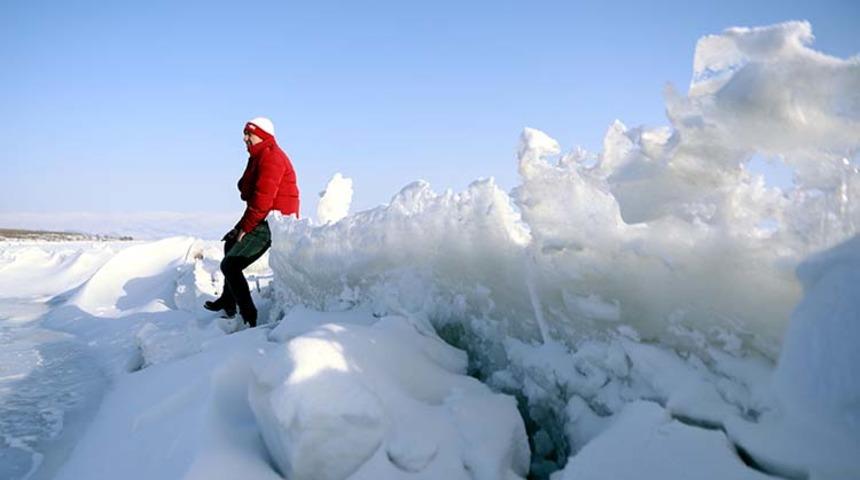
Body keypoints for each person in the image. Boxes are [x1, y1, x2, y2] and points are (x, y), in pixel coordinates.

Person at [204, 117, 299, 328]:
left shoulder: (271, 158)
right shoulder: (259, 156)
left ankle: (249, 318)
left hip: (273, 221)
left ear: (262, 136)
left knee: (230, 265)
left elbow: (263, 200)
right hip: (264, 215)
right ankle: (228, 302)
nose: (245, 138)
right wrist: (240, 228)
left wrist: (245, 228)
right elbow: (250, 193)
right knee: (230, 243)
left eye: (249, 134)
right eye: (244, 134)